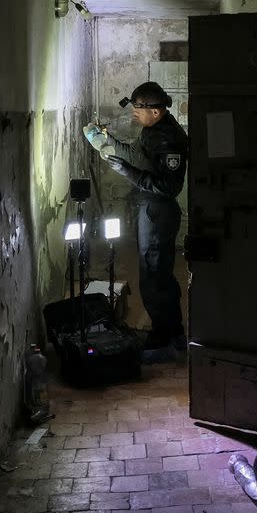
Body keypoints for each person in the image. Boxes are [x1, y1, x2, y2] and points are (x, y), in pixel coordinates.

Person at [83, 82, 188, 351]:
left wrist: (129, 173)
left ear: (156, 111)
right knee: (154, 274)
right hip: (150, 209)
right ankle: (167, 331)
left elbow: (169, 187)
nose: (134, 112)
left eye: (139, 108)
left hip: (158, 212)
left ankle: (167, 337)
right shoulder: (153, 131)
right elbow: (136, 155)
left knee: (155, 277)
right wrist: (109, 144)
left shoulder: (168, 139)